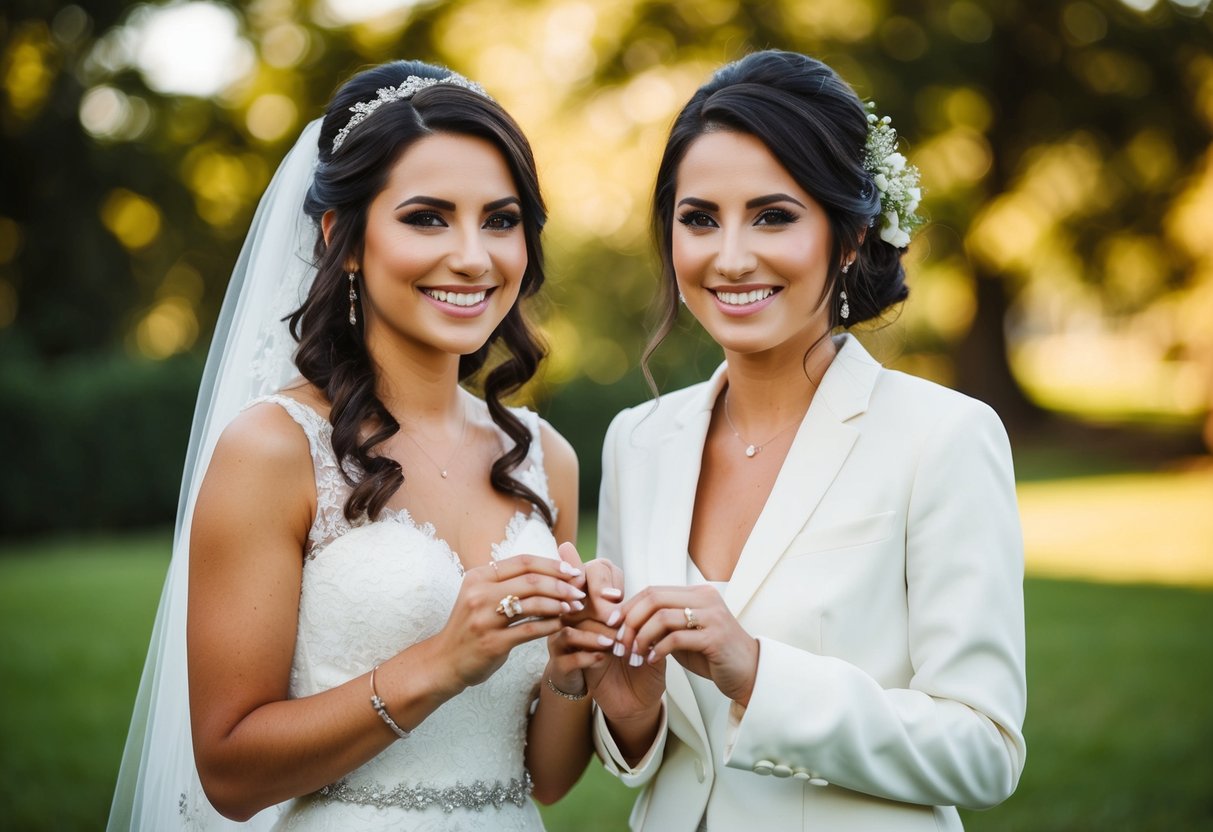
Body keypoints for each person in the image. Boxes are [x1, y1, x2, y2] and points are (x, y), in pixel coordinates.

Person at [108, 60, 606, 831]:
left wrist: (575, 671)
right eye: (426, 217)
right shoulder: (274, 449)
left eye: (500, 219)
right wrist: (440, 663)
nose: (474, 256)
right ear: (342, 235)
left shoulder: (545, 458)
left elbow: (543, 779)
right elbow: (230, 775)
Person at [584, 50, 1027, 831]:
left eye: (772, 215)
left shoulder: (943, 437)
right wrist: (627, 711)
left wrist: (755, 672)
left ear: (850, 235)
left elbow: (983, 749)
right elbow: (653, 752)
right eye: (697, 219)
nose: (728, 256)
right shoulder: (637, 442)